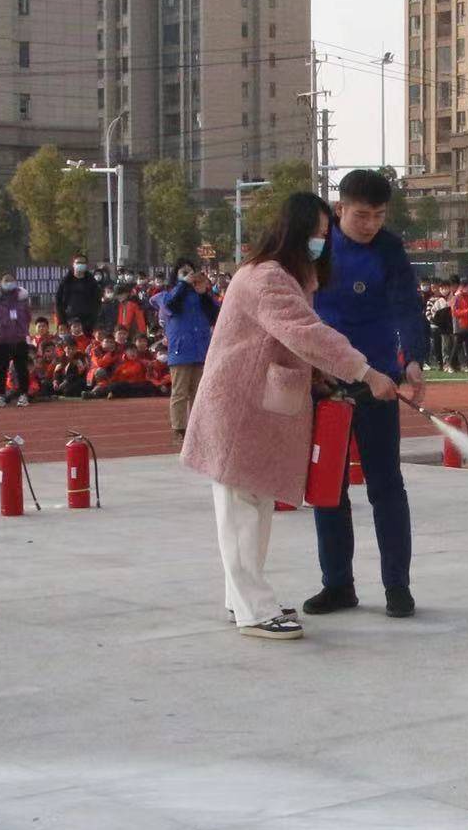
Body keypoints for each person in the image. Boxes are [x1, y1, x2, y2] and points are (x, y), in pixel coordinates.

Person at [182, 192, 401, 641]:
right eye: (318, 234)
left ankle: (242, 599)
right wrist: (364, 370)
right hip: (239, 409)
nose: (323, 243)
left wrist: (324, 378)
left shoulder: (287, 278)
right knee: (241, 509)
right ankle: (254, 610)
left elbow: (295, 344)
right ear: (295, 233)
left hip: (256, 409)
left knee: (253, 506)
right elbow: (306, 334)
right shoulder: (266, 278)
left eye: (325, 236)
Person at [304, 170, 429, 620]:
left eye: (378, 215)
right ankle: (337, 584)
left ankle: (397, 585)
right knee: (329, 489)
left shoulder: (389, 249)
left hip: (377, 381)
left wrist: (412, 357)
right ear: (340, 210)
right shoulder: (318, 246)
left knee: (386, 486)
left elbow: (406, 306)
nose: (370, 224)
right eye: (361, 215)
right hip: (325, 384)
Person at [163, 259, 220, 444]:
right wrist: (182, 284)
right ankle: (179, 429)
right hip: (181, 349)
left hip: (200, 348)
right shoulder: (171, 294)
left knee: (198, 391)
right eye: (183, 272)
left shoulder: (200, 295)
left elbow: (214, 315)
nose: (189, 275)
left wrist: (203, 293)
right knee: (180, 392)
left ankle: (198, 428)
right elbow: (170, 305)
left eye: (191, 272)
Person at [0, 271, 33, 408]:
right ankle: (0, 395)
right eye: (6, 281)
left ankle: (23, 395)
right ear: (0, 283)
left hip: (19, 338)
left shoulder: (22, 299)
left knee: (21, 368)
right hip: (0, 340)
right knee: (0, 369)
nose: (9, 283)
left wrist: (22, 329)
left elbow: (28, 316)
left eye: (11, 281)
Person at [56, 254, 103, 334]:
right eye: (78, 263)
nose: (80, 265)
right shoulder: (65, 282)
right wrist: (62, 321)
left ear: (86, 265)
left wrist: (93, 321)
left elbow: (97, 303)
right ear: (73, 264)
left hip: (88, 322)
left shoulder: (92, 282)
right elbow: (58, 302)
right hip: (69, 321)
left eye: (83, 263)